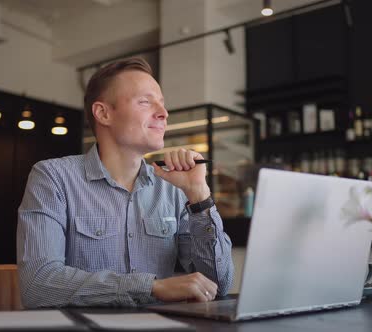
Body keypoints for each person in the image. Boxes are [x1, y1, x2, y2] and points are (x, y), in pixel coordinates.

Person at [17, 57, 234, 308]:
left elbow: (218, 285)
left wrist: (199, 196)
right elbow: (38, 284)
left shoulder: (172, 189)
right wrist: (151, 287)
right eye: (145, 102)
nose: (164, 114)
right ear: (103, 113)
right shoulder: (52, 177)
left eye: (162, 104)